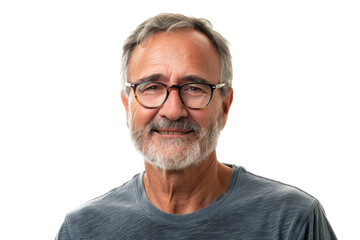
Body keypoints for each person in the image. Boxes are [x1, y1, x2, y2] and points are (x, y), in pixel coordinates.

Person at [55, 13, 337, 239]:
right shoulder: (84, 231)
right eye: (152, 87)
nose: (173, 110)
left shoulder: (292, 223)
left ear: (225, 106)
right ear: (128, 106)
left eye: (194, 88)